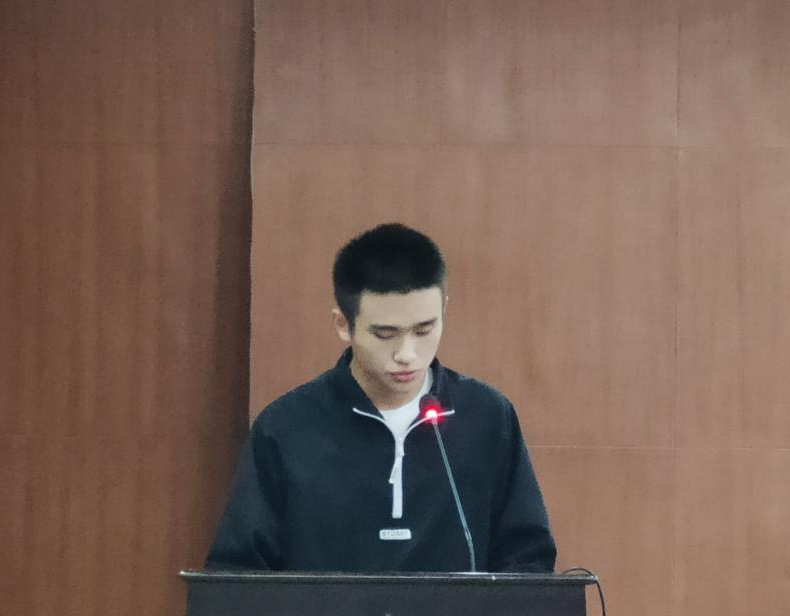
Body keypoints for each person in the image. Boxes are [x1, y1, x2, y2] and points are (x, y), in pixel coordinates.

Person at [206, 223, 555, 573]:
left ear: (444, 310)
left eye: (424, 329)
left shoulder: (485, 417)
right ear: (343, 324)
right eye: (386, 334)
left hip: (462, 613)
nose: (407, 354)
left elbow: (527, 561)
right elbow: (237, 573)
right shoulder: (287, 427)